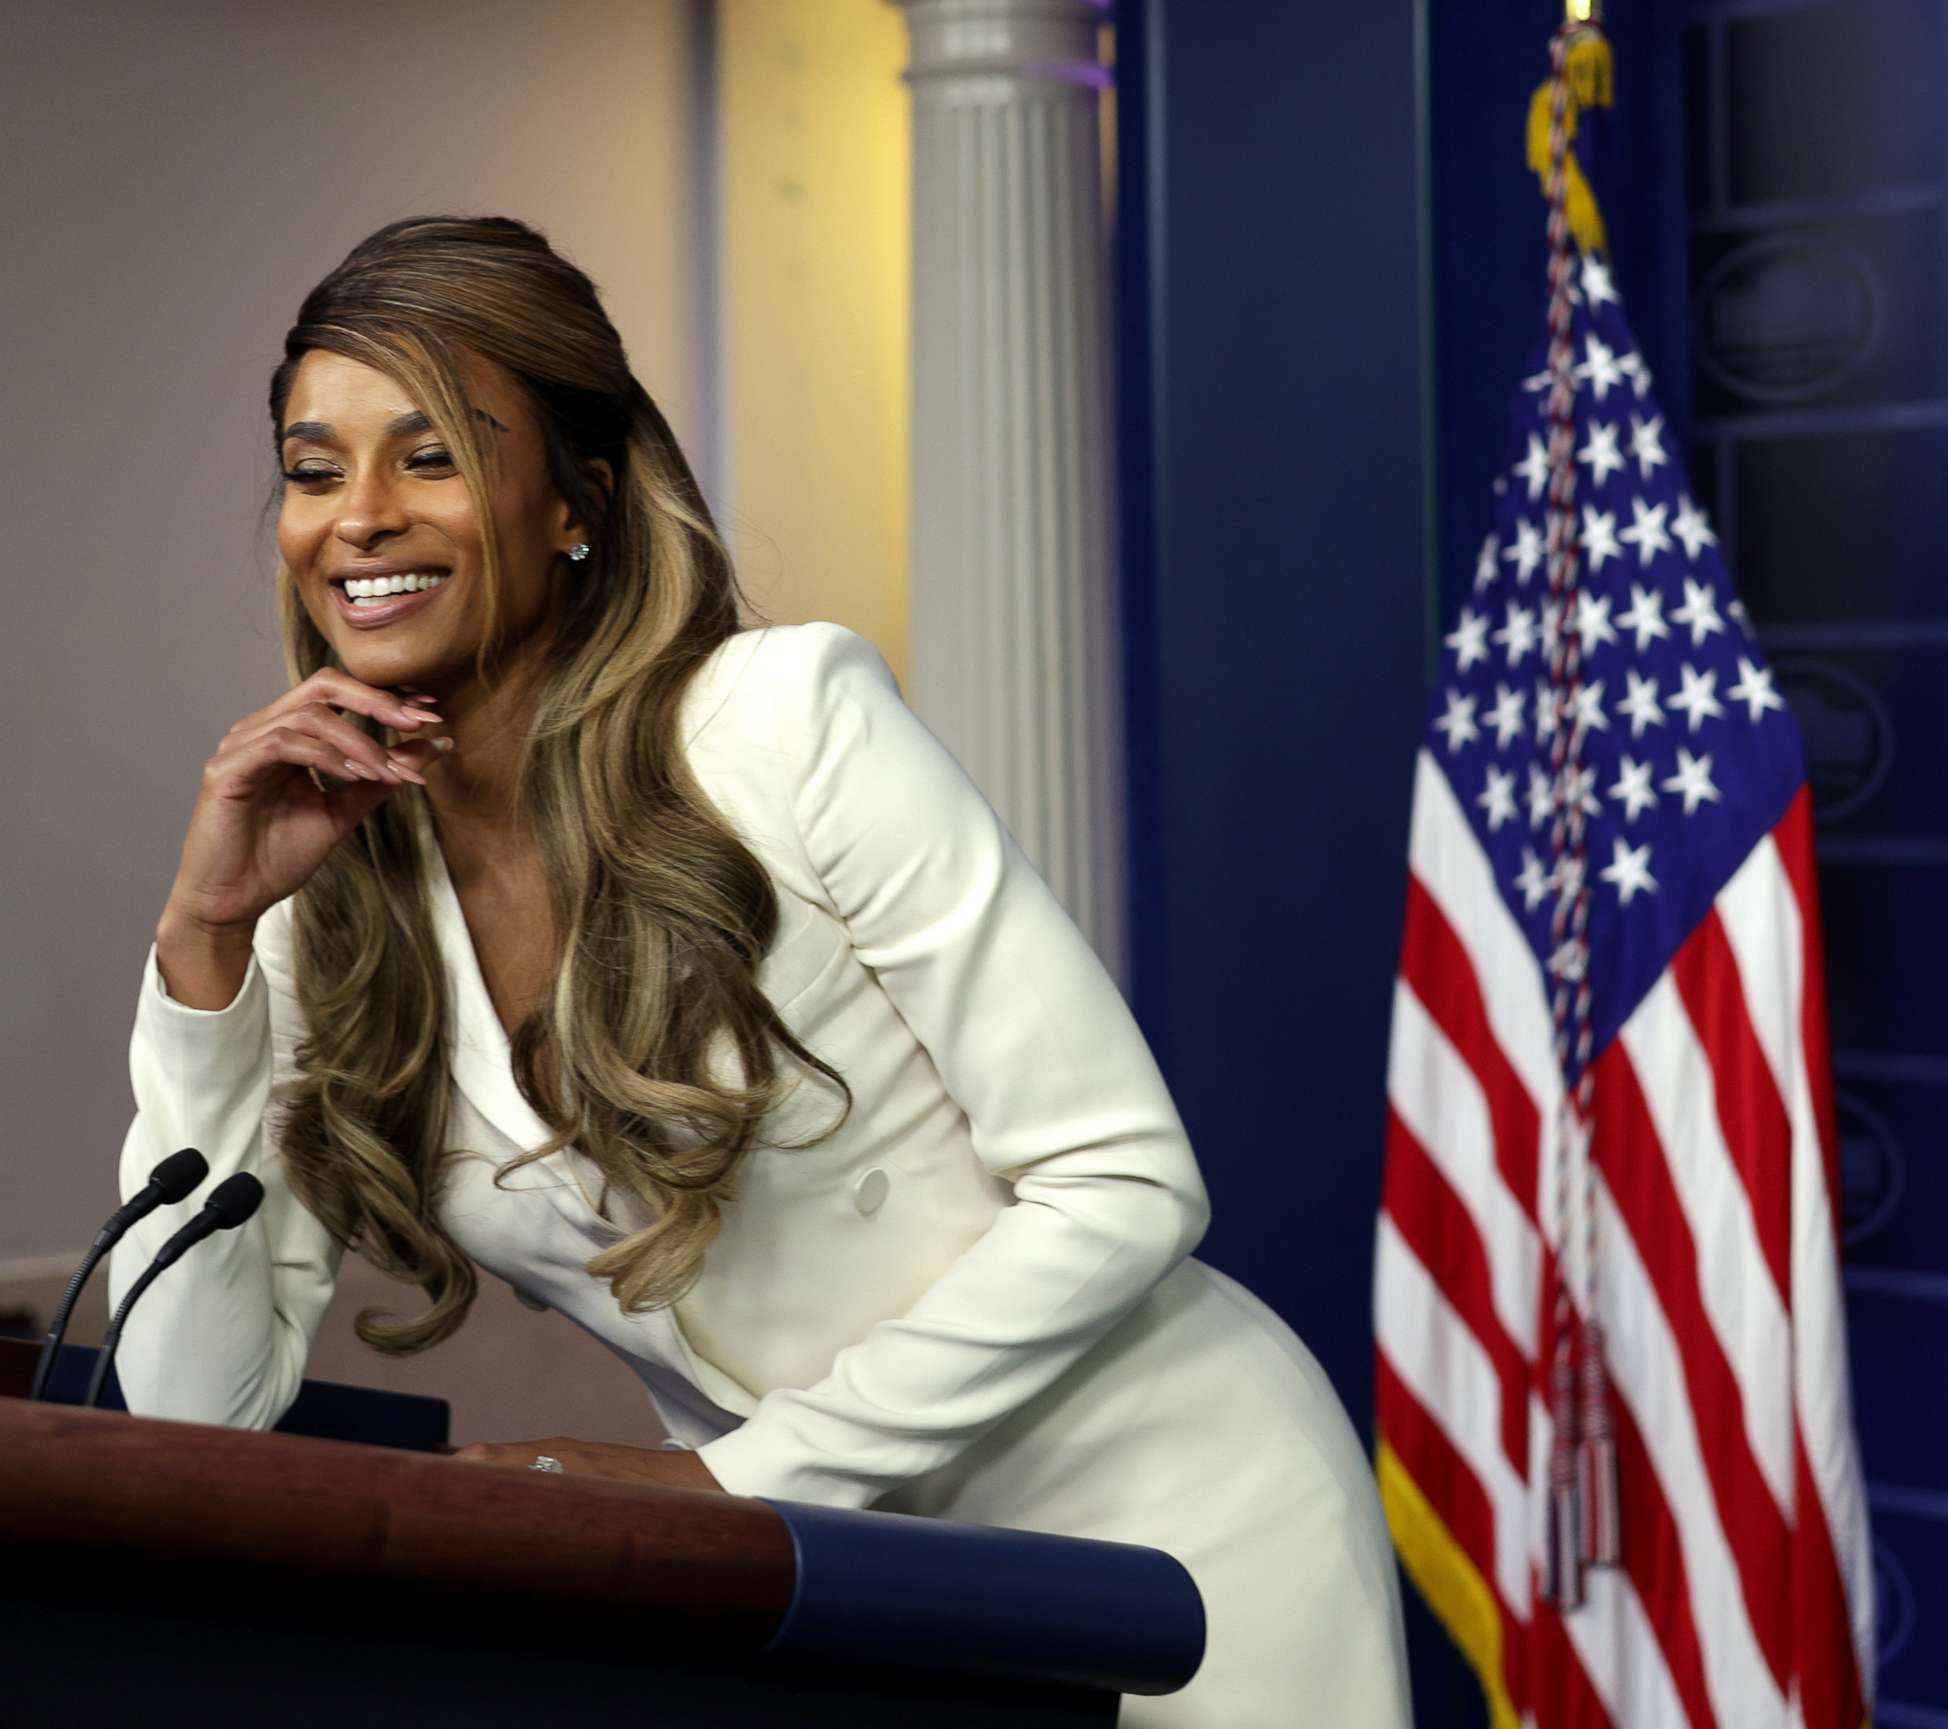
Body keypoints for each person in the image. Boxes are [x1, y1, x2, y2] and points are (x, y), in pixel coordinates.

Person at [113, 213, 1412, 1726]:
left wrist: (731, 1479)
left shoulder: (781, 722)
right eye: (314, 468)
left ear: (574, 503)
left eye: (435, 454)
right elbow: (201, 1413)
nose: (361, 517)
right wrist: (204, 943)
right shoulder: (320, 899)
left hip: (1170, 1534)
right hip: (840, 1606)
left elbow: (1125, 1182)